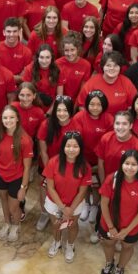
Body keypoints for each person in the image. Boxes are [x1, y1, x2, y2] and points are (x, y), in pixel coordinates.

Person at [98, 150, 138, 274]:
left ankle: (120, 268)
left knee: (127, 247)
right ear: (121, 164)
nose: (130, 167)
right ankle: (109, 263)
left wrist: (127, 230)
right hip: (109, 224)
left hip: (130, 228)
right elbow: (103, 203)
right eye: (127, 163)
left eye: (134, 164)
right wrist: (111, 227)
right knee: (108, 243)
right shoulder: (112, 179)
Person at [44, 131, 91, 263]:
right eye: (68, 146)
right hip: (55, 202)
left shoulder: (84, 167)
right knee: (56, 224)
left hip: (74, 204)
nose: (71, 149)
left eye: (75, 146)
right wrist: (63, 208)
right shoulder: (53, 162)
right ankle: (57, 242)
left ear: (80, 148)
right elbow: (50, 188)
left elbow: (82, 191)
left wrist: (70, 209)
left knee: (72, 225)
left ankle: (70, 245)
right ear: (63, 147)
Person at [0, 106, 33, 242]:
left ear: (17, 119)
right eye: (5, 118)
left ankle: (15, 225)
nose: (8, 120)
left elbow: (27, 167)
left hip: (16, 178)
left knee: (13, 206)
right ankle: (7, 223)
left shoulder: (25, 139)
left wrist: (23, 188)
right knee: (3, 201)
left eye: (11, 117)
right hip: (0, 175)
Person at [36, 96, 80, 230]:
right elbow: (43, 151)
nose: (62, 113)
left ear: (71, 111)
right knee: (44, 189)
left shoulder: (76, 126)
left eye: (65, 110)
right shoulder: (46, 125)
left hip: (68, 166)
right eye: (59, 110)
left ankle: (61, 214)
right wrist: (48, 172)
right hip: (47, 165)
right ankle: (44, 213)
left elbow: (77, 149)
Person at [73, 90, 115, 223]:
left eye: (98, 104)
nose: (95, 108)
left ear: (103, 105)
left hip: (100, 160)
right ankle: (86, 203)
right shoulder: (79, 117)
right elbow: (76, 140)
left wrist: (99, 163)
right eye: (92, 104)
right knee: (84, 183)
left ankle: (95, 205)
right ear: (87, 104)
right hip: (82, 158)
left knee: (96, 184)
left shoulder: (109, 119)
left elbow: (109, 142)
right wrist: (81, 161)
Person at [77, 51, 136, 116]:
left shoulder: (126, 82)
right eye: (108, 65)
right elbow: (82, 106)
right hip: (97, 122)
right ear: (103, 66)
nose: (112, 68)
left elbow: (133, 105)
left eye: (115, 65)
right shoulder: (92, 82)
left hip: (119, 123)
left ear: (120, 67)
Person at [96, 111, 138, 183]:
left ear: (130, 126)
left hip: (125, 183)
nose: (120, 127)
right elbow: (100, 164)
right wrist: (103, 183)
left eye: (124, 124)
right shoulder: (106, 138)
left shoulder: (136, 145)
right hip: (108, 181)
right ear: (114, 125)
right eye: (117, 123)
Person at [21, 44, 61, 111]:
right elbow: (26, 95)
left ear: (52, 58)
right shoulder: (29, 69)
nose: (44, 61)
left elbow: (59, 96)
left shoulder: (57, 70)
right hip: (33, 106)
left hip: (52, 107)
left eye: (47, 57)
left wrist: (49, 113)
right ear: (37, 57)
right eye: (41, 57)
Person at [56, 33, 92, 102]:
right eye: (66, 50)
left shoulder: (86, 65)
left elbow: (82, 92)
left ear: (77, 49)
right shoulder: (57, 63)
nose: (69, 54)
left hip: (77, 102)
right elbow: (59, 92)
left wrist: (75, 108)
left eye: (72, 50)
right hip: (61, 102)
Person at [0, 18, 33, 83]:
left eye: (14, 31)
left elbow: (26, 77)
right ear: (4, 32)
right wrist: (15, 77)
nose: (11, 34)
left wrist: (8, 77)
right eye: (9, 31)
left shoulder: (26, 52)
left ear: (19, 32)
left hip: (19, 86)